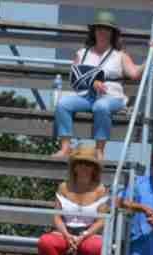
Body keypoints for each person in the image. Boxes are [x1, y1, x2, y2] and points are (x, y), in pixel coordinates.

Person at [52, 10, 143, 160]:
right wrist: (92, 82)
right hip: (86, 96)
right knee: (63, 104)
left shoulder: (119, 55)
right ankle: (65, 147)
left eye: (106, 29)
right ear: (93, 31)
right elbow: (74, 77)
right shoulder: (82, 53)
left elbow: (135, 74)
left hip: (111, 96)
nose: (102, 32)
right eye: (99, 28)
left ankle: (99, 150)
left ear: (112, 33)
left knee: (101, 106)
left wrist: (150, 60)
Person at [37, 144, 108, 255]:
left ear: (94, 168)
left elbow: (102, 220)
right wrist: (67, 234)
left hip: (88, 234)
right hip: (64, 231)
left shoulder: (101, 189)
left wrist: (84, 235)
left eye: (89, 163)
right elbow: (57, 216)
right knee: (45, 242)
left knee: (100, 246)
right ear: (74, 167)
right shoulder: (63, 187)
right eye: (81, 163)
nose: (84, 167)